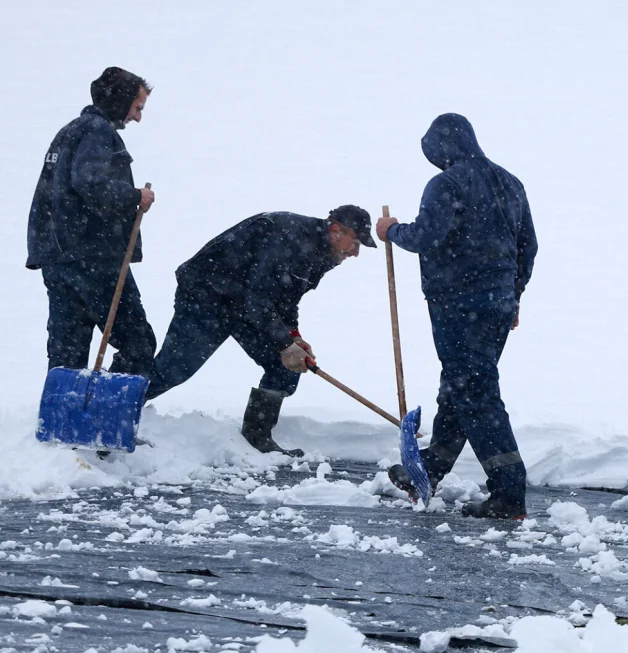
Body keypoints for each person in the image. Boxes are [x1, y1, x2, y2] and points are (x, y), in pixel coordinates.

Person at [376, 113, 538, 520]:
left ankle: (508, 492)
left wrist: (391, 230)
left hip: (458, 305)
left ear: (441, 146)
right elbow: (528, 247)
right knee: (460, 387)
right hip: (496, 304)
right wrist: (511, 295)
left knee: (476, 394)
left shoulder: (446, 184)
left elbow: (427, 236)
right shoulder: (510, 183)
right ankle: (429, 469)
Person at [145, 206, 375, 455]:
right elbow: (258, 298)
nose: (356, 252)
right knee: (174, 369)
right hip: (208, 295)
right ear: (335, 230)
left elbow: (286, 299)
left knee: (286, 366)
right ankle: (111, 412)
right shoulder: (289, 236)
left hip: (244, 303)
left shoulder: (324, 254)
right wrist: (286, 344)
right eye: (355, 242)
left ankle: (257, 438)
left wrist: (294, 337)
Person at [26, 67, 158, 376]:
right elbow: (90, 183)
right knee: (137, 343)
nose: (138, 117)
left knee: (67, 352)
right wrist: (134, 196)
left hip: (58, 257)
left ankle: (62, 419)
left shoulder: (70, 130)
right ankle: (106, 411)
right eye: (137, 107)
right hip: (93, 256)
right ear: (122, 100)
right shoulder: (98, 131)